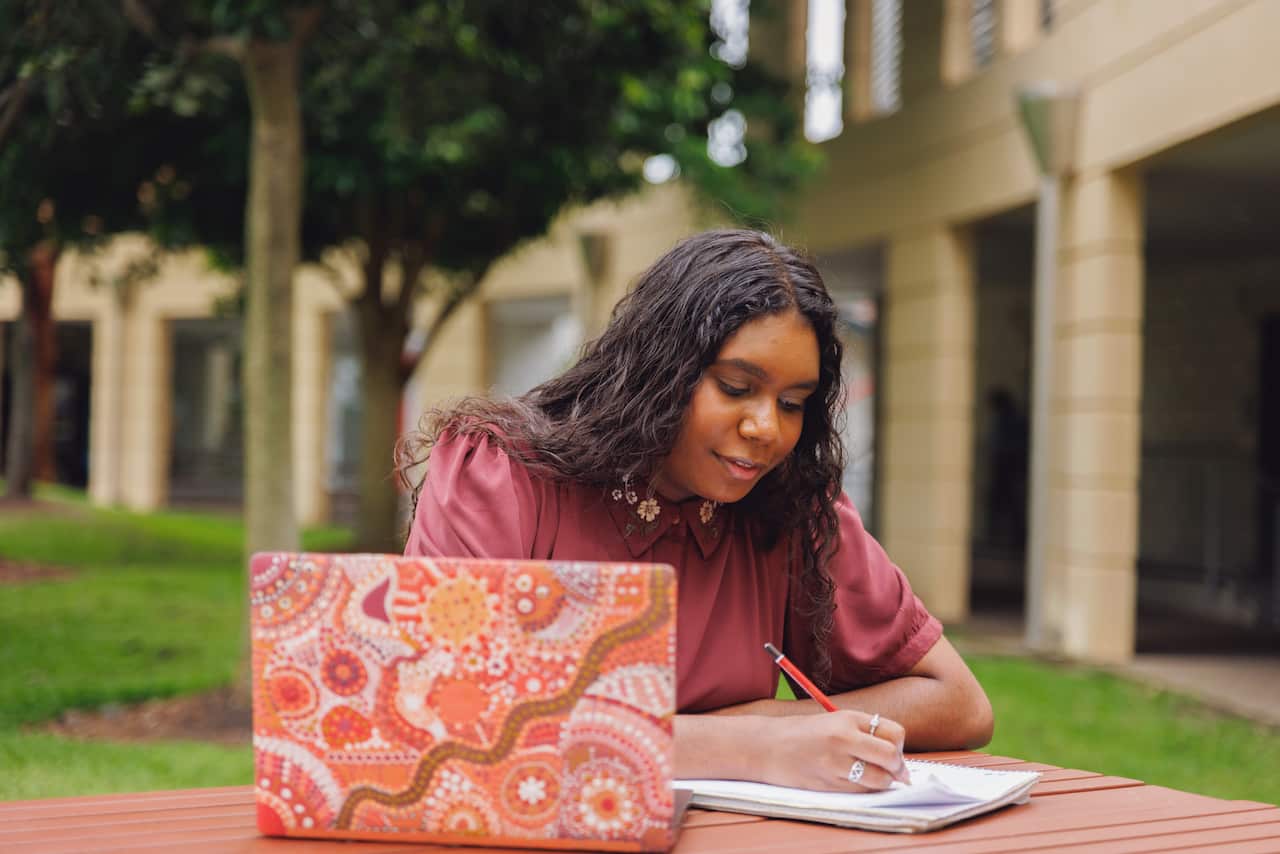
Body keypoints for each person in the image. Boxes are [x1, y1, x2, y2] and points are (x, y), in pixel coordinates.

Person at [398, 229, 993, 794]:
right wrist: (749, 744)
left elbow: (959, 703)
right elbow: (438, 714)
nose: (766, 429)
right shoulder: (501, 475)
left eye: (792, 403)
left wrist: (758, 721)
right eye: (735, 388)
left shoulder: (791, 507)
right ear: (660, 370)